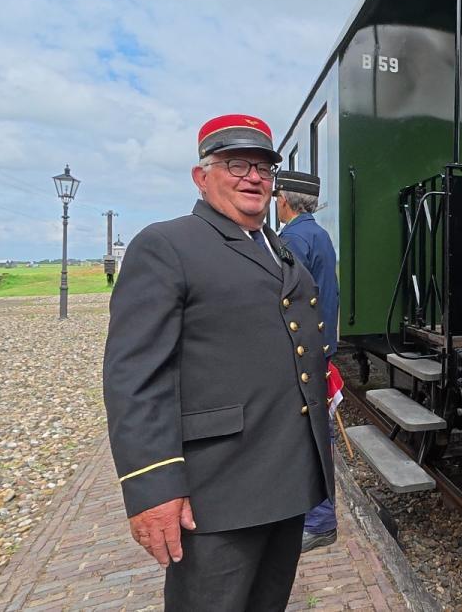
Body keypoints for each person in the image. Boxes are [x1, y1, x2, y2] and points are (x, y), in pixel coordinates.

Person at [103, 114, 334, 611]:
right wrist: (152, 488)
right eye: (237, 165)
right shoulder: (168, 245)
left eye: (264, 168)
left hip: (287, 479)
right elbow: (135, 377)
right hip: (218, 491)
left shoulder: (277, 248)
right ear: (201, 175)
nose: (254, 177)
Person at [273, 170, 339, 553]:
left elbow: (286, 300)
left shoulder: (292, 239)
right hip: (321, 344)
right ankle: (316, 517)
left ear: (285, 200)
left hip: (304, 350)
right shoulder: (318, 234)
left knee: (310, 437)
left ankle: (318, 521)